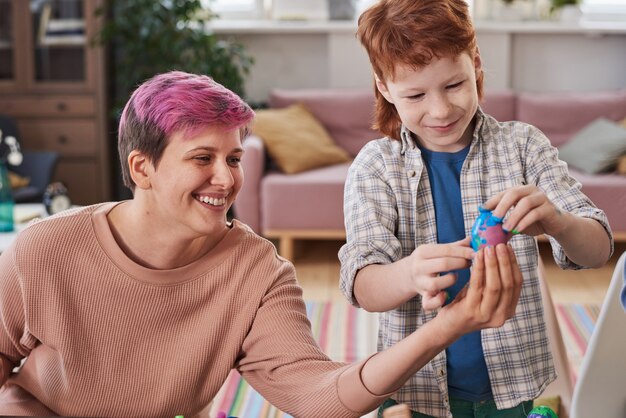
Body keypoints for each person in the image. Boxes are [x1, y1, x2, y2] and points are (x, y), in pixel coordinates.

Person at [0, 71, 524, 418]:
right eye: (202, 158)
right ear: (143, 167)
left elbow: (318, 393)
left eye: (233, 159)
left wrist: (448, 326)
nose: (225, 180)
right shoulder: (46, 248)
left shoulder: (256, 272)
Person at [339, 1, 614, 417]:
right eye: (415, 94)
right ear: (384, 86)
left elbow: (598, 249)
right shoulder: (376, 166)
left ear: (476, 64)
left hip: (509, 383)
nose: (441, 110)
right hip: (413, 387)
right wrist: (409, 272)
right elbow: (363, 285)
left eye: (453, 85)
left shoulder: (523, 146)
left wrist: (557, 222)